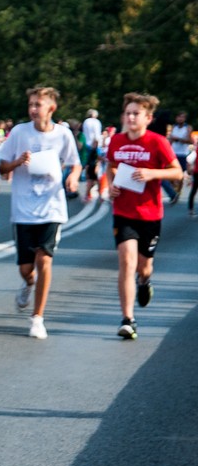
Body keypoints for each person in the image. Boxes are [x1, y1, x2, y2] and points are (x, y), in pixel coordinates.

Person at [0, 86, 81, 339]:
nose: (33, 109)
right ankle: (28, 283)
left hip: (51, 208)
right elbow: (2, 168)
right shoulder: (19, 132)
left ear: (51, 108)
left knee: (44, 260)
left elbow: (75, 163)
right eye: (31, 104)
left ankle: (37, 318)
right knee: (26, 268)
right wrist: (17, 162)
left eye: (38, 105)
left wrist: (73, 178)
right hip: (23, 210)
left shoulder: (63, 135)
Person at [105, 93, 182, 340]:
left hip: (150, 214)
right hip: (123, 212)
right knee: (126, 262)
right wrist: (111, 184)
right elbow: (111, 165)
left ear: (148, 118)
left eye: (136, 114)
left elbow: (177, 173)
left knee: (144, 267)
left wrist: (151, 174)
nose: (130, 118)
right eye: (127, 113)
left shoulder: (157, 142)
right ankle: (128, 320)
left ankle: (144, 282)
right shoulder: (117, 140)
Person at [167, 110, 191, 205]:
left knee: (180, 174)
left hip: (182, 154)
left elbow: (190, 141)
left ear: (184, 118)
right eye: (179, 117)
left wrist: (179, 139)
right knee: (169, 173)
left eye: (182, 117)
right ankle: (174, 188)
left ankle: (178, 192)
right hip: (173, 153)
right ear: (176, 118)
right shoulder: (173, 127)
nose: (180, 119)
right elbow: (170, 140)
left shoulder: (188, 128)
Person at [81, 109, 103, 200]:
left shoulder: (85, 122)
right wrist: (97, 144)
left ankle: (88, 194)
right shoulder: (96, 122)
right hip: (95, 147)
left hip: (87, 145)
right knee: (97, 175)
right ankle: (99, 195)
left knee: (89, 171)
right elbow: (97, 135)